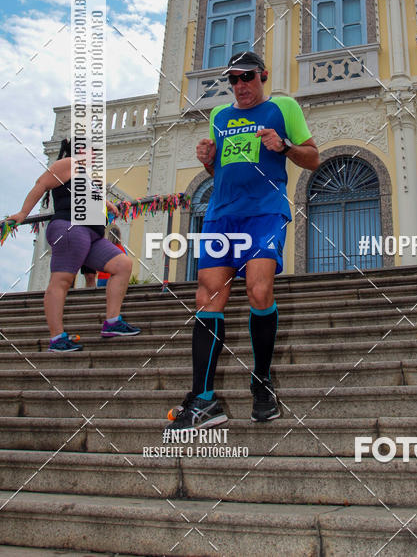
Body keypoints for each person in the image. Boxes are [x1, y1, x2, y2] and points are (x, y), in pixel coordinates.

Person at [166, 51, 320, 429]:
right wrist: (207, 160)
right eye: (233, 80)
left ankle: (262, 382)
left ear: (262, 75)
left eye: (247, 77)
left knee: (259, 291)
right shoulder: (219, 116)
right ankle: (204, 401)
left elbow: (313, 158)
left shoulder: (284, 108)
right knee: (207, 297)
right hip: (222, 214)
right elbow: (221, 169)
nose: (240, 86)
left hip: (265, 212)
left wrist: (284, 146)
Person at [6, 138, 141, 351]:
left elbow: (88, 195)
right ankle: (57, 337)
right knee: (62, 280)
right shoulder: (67, 163)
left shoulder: (83, 175)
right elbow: (41, 185)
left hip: (93, 235)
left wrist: (106, 204)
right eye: (92, 150)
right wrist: (23, 213)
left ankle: (112, 322)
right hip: (70, 228)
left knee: (122, 264)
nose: (95, 155)